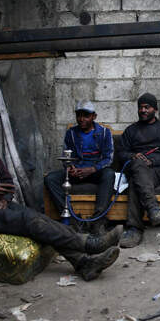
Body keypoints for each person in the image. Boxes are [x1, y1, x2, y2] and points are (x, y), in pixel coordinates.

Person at [0, 100, 122, 281]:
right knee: (29, 221)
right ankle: (89, 243)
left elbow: (6, 181)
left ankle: (83, 263)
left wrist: (4, 197)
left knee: (39, 219)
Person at [44, 100, 115, 234]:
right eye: (79, 115)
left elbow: (108, 158)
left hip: (95, 171)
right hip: (77, 171)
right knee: (50, 179)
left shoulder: (105, 133)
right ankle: (72, 221)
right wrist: (70, 167)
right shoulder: (71, 133)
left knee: (109, 174)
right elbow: (66, 156)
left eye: (86, 116)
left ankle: (97, 221)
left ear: (94, 116)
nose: (81, 119)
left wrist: (92, 169)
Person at [117, 93, 160, 248]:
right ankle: (153, 208)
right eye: (140, 107)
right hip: (135, 166)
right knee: (137, 165)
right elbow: (121, 153)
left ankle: (134, 228)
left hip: (157, 169)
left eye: (147, 107)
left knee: (135, 181)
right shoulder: (130, 131)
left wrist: (152, 160)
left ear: (154, 109)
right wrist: (132, 155)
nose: (143, 110)